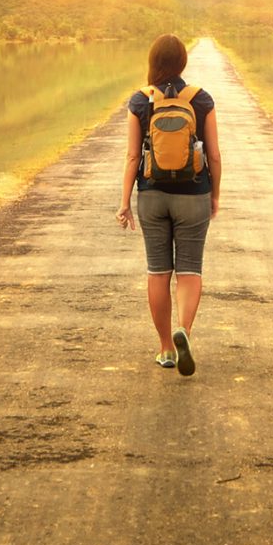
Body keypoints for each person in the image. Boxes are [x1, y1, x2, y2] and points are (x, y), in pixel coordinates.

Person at [114, 33, 221, 376]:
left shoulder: (140, 101)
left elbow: (133, 155)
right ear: (182, 62)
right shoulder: (200, 99)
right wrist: (214, 194)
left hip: (152, 195)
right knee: (190, 270)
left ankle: (165, 349)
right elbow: (215, 156)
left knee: (158, 272)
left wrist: (125, 202)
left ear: (153, 61)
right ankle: (183, 333)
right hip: (194, 194)